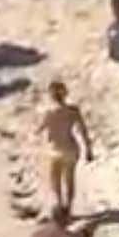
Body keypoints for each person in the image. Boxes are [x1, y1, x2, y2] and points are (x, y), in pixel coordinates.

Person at [38, 80, 95, 215]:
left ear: (50, 95)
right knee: (69, 178)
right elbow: (83, 131)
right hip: (70, 147)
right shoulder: (73, 111)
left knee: (55, 179)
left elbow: (39, 129)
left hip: (54, 149)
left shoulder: (48, 112)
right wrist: (88, 149)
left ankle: (59, 203)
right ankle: (68, 207)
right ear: (65, 94)